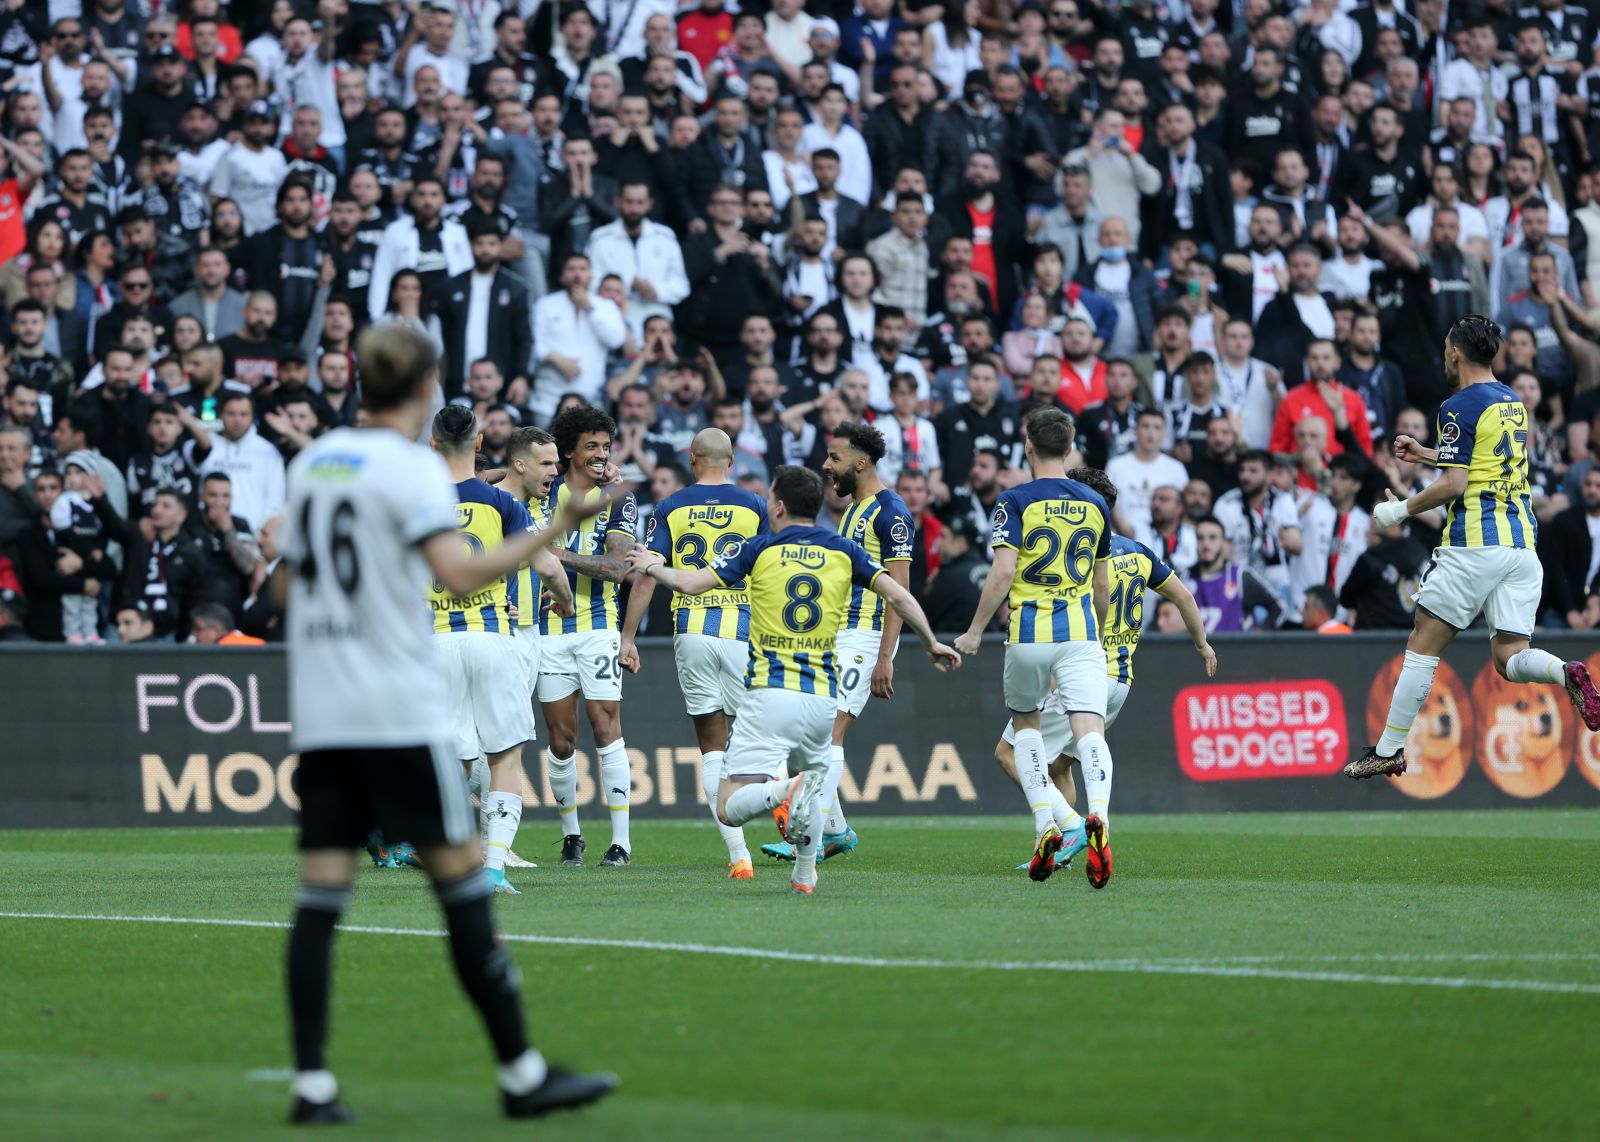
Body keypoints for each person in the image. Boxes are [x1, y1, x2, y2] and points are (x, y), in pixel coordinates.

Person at [277, 322, 616, 1123]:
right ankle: (521, 1074)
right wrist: (553, 530)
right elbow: (459, 576)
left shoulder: (315, 464)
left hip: (324, 708)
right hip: (395, 707)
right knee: (464, 886)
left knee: (320, 899)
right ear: (427, 388)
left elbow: (286, 588)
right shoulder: (414, 471)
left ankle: (312, 1085)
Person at [626, 465, 958, 894]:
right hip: (821, 695)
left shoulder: (758, 549)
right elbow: (898, 594)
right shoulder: (844, 550)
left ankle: (782, 790)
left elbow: (690, 584)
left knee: (729, 806)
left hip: (769, 693)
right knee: (813, 779)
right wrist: (930, 641)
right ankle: (804, 873)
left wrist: (652, 566)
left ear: (779, 506)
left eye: (769, 498)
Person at [1346, 315, 1600, 780]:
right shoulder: (1512, 402)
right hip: (1521, 546)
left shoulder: (1458, 405)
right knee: (1509, 658)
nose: (1444, 355)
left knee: (1423, 642)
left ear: (1456, 352)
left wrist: (1398, 511)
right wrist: (1427, 453)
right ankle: (1565, 672)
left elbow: (1455, 484)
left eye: (1446, 348)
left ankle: (1389, 749)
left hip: (1474, 544)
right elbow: (1486, 463)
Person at [992, 467, 1215, 871]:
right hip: (1120, 681)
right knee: (1059, 764)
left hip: (1081, 671)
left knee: (1009, 753)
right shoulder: (1139, 552)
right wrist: (1201, 643)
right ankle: (1064, 849)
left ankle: (1073, 826)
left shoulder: (1079, 558)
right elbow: (1183, 596)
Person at [953, 407, 1116, 888]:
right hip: (1080, 632)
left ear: (1028, 446)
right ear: (1070, 448)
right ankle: (1100, 816)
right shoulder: (1095, 502)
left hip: (1029, 634)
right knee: (1089, 733)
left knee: (1026, 729)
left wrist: (975, 630)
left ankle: (1047, 823)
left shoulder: (1014, 499)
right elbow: (1101, 584)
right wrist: (1099, 634)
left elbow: (1003, 570)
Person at [424, 406, 564, 895]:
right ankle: (496, 866)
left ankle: (451, 855)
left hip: (435, 641)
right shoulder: (501, 502)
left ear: (433, 445)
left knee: (453, 762)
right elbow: (547, 566)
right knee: (504, 756)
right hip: (493, 636)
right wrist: (564, 601)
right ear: (480, 443)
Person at [619, 428, 769, 878]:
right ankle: (786, 806)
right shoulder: (755, 506)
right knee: (762, 734)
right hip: (743, 629)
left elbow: (647, 573)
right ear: (731, 461)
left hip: (692, 630)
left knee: (711, 745)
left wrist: (628, 637)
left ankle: (739, 855)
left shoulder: (670, 507)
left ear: (692, 459)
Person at [539, 405, 639, 868]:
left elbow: (618, 568)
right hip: (548, 631)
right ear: (567, 452)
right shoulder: (542, 493)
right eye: (591, 446)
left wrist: (555, 553)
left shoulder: (618, 498)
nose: (601, 454)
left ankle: (621, 843)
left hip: (599, 626)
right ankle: (572, 836)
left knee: (605, 728)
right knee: (561, 740)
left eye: (606, 446)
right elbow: (490, 476)